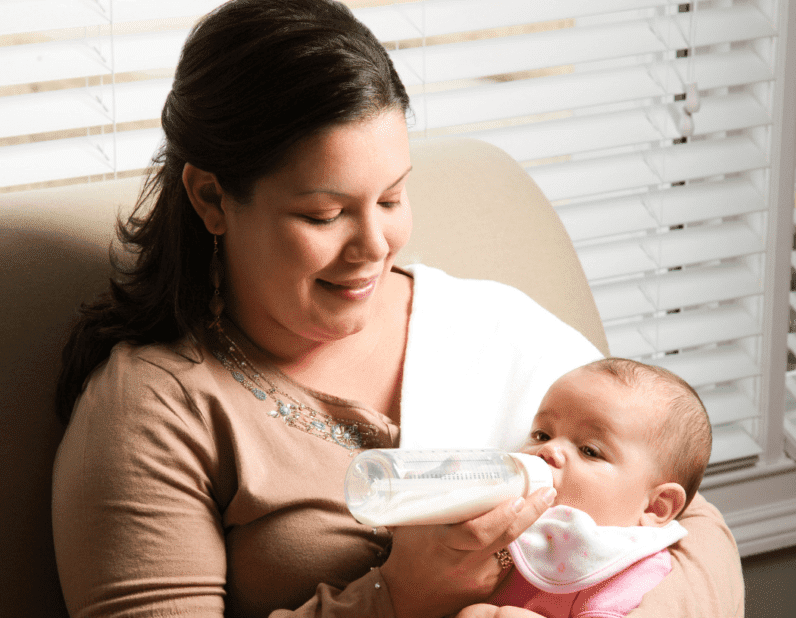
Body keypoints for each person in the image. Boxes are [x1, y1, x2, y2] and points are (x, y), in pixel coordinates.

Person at [50, 1, 744, 617]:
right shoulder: (157, 408)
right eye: (324, 214)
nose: (375, 246)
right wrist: (398, 598)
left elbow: (689, 533)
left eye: (390, 198)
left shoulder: (488, 326)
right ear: (211, 199)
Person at [455, 358, 712, 618]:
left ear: (655, 506)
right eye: (542, 434)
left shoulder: (628, 565)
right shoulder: (507, 514)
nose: (548, 450)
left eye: (589, 450)